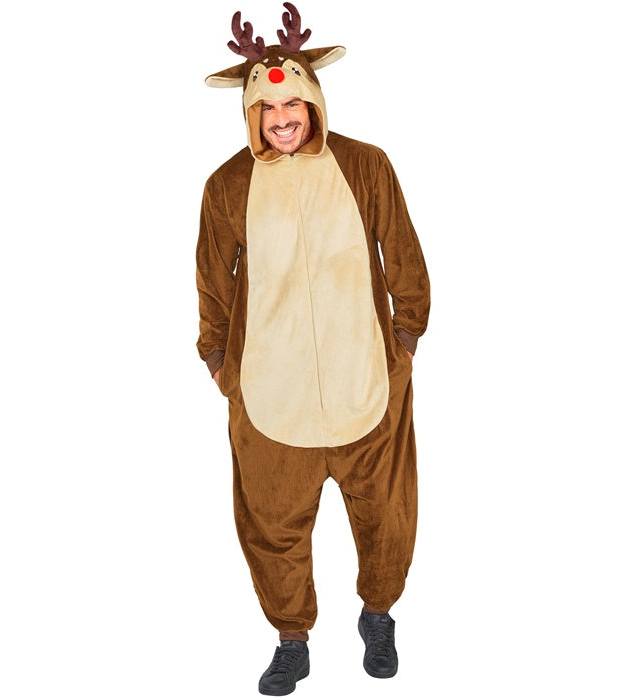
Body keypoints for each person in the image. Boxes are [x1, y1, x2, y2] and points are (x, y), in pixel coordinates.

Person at [195, 4, 430, 695]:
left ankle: (378, 615)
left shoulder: (365, 165)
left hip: (368, 384)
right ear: (251, 114)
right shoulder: (227, 185)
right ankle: (291, 638)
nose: (282, 117)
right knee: (272, 526)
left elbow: (403, 254)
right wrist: (220, 364)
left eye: (293, 102)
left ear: (315, 102)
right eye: (267, 108)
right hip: (270, 395)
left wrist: (405, 341)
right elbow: (212, 280)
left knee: (386, 515)